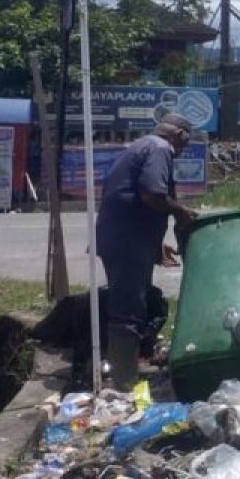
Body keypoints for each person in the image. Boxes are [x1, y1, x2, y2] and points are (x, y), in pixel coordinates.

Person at [96, 113, 199, 389]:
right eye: (184, 146)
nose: (181, 152)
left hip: (122, 237)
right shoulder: (160, 149)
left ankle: (124, 373)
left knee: (131, 303)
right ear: (180, 136)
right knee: (128, 309)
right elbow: (152, 195)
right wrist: (181, 211)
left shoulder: (140, 146)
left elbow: (131, 197)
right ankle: (124, 383)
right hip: (127, 240)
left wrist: (154, 243)